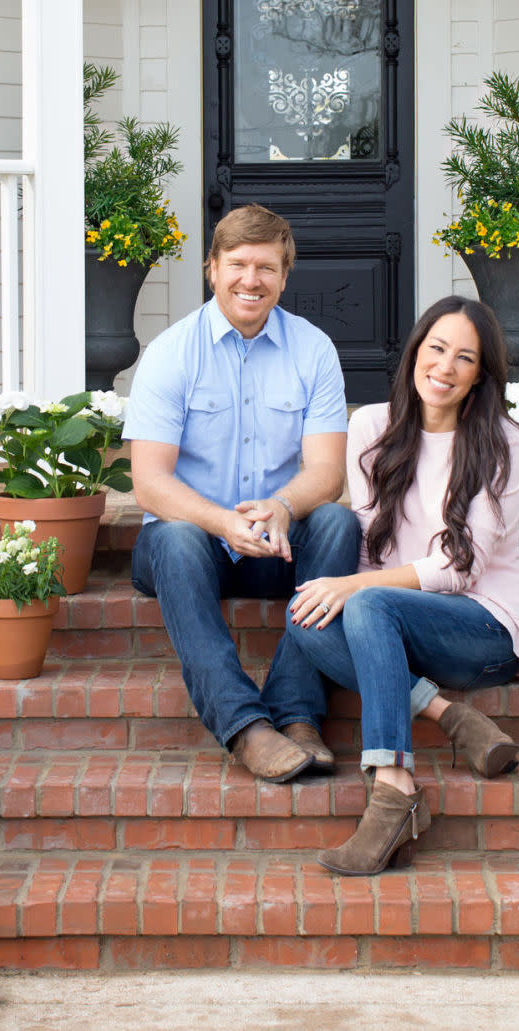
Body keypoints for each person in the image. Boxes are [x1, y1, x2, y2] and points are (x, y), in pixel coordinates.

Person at [284, 296, 519, 874]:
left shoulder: (504, 443)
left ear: (480, 375)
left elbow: (463, 566)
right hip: (402, 619)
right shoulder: (371, 426)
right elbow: (374, 548)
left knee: (362, 598)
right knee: (306, 621)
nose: (445, 367)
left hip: (484, 627)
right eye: (437, 348)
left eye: (464, 358)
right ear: (417, 351)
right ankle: (451, 716)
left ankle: (393, 787)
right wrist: (354, 591)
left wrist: (356, 589)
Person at [124, 203, 360, 783]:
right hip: (191, 549)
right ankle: (245, 727)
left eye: (267, 268)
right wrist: (220, 522)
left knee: (337, 524)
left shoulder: (313, 351)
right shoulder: (171, 353)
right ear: (212, 269)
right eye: (238, 264)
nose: (251, 280)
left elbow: (328, 471)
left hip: (273, 546)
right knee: (176, 537)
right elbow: (149, 483)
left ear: (284, 275)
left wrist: (282, 506)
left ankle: (297, 712)